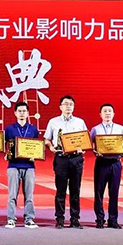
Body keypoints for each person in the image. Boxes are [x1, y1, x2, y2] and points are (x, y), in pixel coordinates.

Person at [44, 95, 88, 229]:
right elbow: (47, 139)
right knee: (60, 190)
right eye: (66, 104)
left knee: (75, 191)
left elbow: (85, 139)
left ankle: (75, 219)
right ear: (60, 107)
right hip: (61, 159)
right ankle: (60, 219)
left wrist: (84, 148)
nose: (68, 106)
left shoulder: (80, 122)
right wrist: (51, 147)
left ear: (73, 107)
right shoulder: (53, 122)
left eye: (71, 104)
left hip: (76, 159)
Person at [89, 103, 123, 229]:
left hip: (116, 163)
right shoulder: (95, 129)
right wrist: (95, 151)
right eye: (105, 111)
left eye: (110, 111)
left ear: (113, 114)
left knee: (114, 192)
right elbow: (91, 145)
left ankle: (113, 220)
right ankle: (99, 219)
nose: (107, 113)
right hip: (102, 162)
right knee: (99, 192)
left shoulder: (120, 128)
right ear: (100, 114)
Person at [4, 102, 39, 229]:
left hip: (29, 166)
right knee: (12, 194)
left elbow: (37, 147)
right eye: (19, 111)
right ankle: (11, 219)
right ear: (15, 113)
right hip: (13, 165)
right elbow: (3, 145)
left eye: (24, 111)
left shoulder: (33, 129)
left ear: (28, 113)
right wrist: (6, 154)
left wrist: (35, 155)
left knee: (29, 195)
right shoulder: (9, 129)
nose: (22, 113)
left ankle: (29, 219)